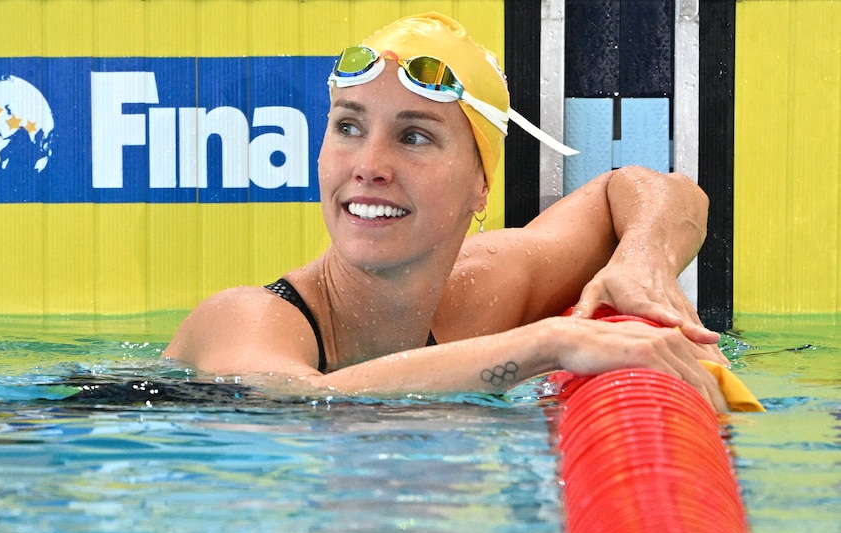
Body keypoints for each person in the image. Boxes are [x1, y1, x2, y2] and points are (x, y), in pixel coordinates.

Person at [163, 12, 731, 412]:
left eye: (413, 136)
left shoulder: (480, 294)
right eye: (349, 127)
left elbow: (655, 191)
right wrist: (547, 344)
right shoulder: (247, 319)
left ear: (480, 186)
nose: (369, 165)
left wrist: (643, 259)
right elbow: (299, 399)